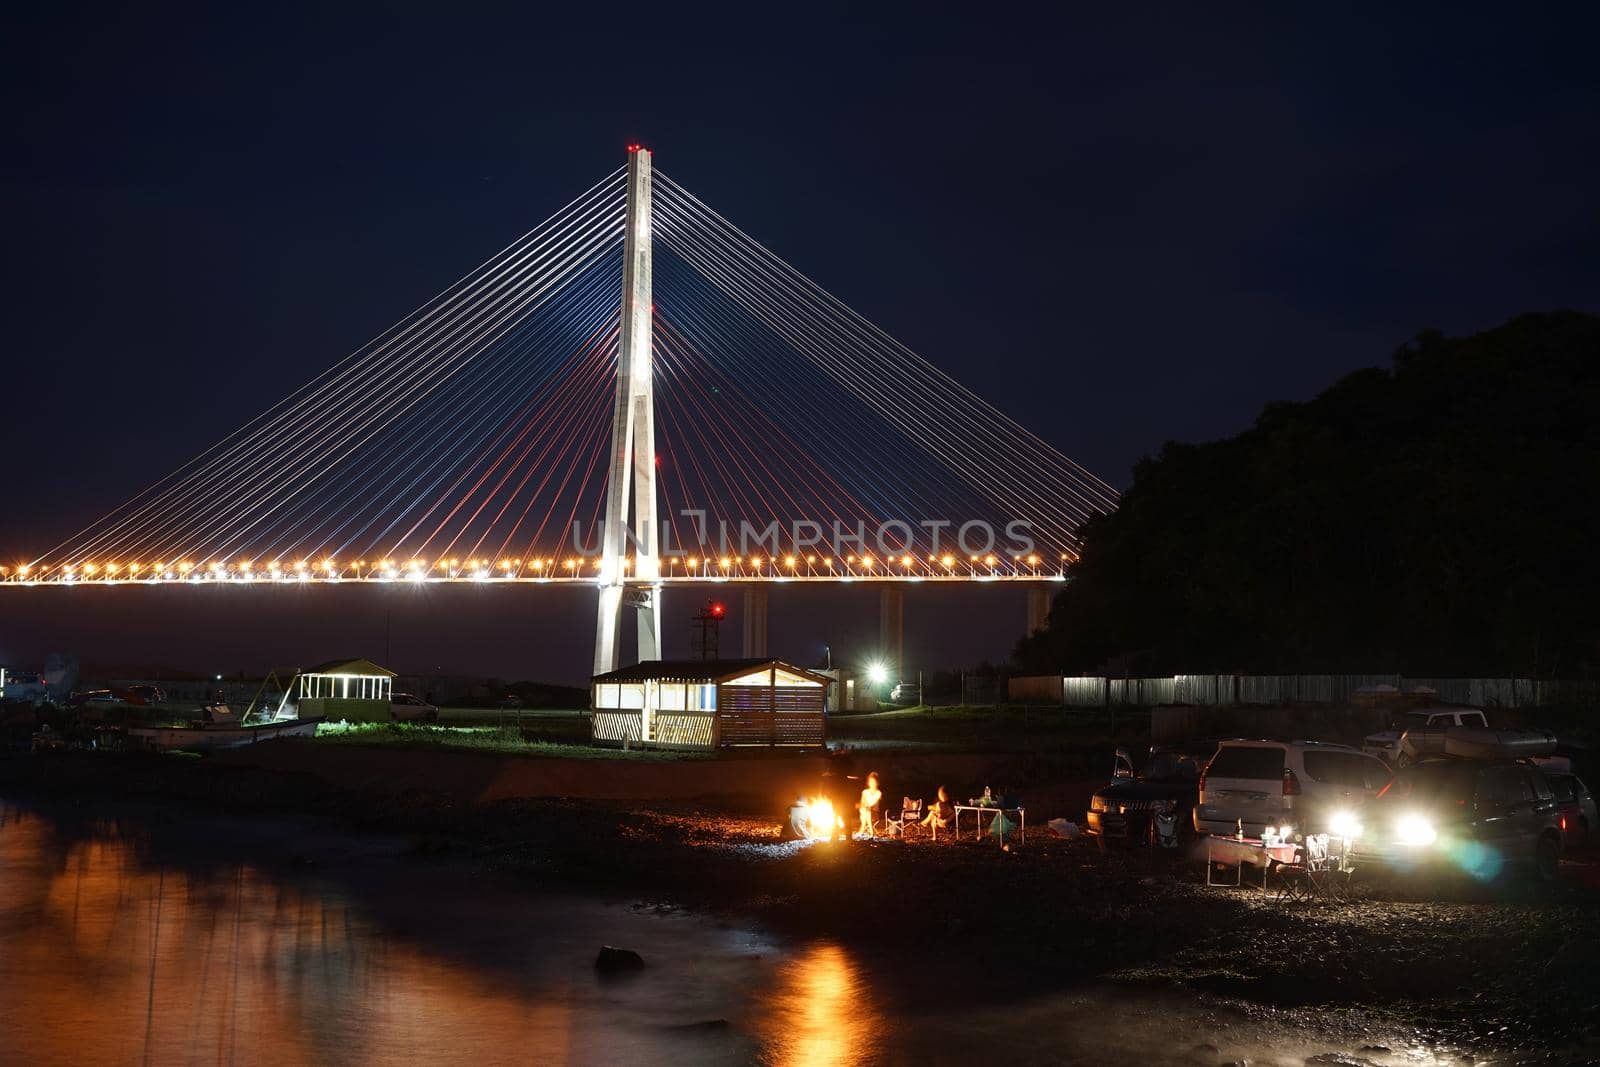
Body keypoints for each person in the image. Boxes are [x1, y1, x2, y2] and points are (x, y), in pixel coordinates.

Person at [857, 772, 882, 836]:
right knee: (865, 811)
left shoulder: (878, 793)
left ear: (877, 783)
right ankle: (871, 832)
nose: (872, 784)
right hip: (864, 811)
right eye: (871, 782)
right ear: (868, 783)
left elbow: (874, 804)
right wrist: (862, 806)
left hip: (875, 812)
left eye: (874, 782)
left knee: (868, 811)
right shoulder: (865, 792)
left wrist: (868, 807)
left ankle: (863, 829)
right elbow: (862, 802)